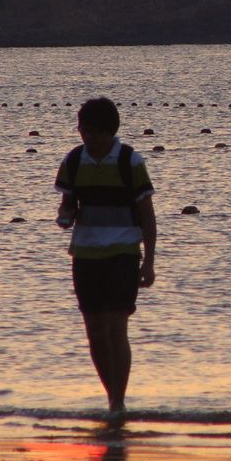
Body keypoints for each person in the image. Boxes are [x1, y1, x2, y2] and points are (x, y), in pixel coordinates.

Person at [54, 97, 157, 416]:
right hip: (84, 254)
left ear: (110, 132)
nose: (89, 137)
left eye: (96, 132)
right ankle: (112, 397)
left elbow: (148, 216)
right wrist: (65, 214)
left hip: (123, 252)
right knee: (95, 331)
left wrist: (149, 262)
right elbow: (68, 203)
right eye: (84, 130)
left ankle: (117, 401)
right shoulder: (73, 161)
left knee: (115, 327)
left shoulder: (130, 161)